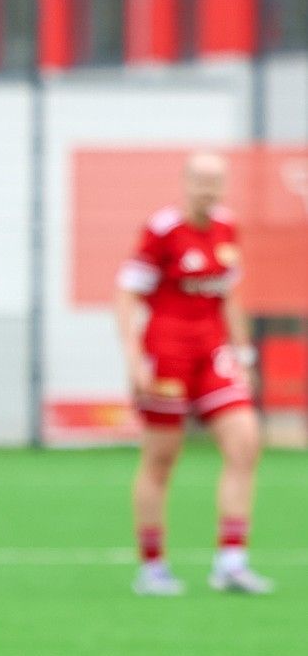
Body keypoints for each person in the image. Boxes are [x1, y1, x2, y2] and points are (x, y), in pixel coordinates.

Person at [116, 152, 271, 596]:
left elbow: (228, 294)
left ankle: (232, 561)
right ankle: (152, 566)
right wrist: (133, 356)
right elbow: (126, 295)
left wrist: (243, 354)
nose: (210, 189)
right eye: (201, 181)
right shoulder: (162, 231)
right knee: (162, 457)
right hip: (167, 349)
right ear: (184, 183)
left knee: (245, 441)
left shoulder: (226, 228)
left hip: (213, 348)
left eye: (217, 181)